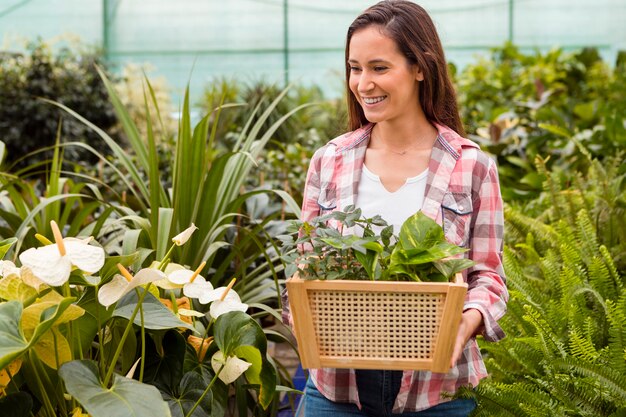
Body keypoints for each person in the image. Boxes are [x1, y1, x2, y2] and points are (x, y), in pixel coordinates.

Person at [283, 1, 508, 416]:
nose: (363, 83)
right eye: (355, 68)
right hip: (336, 386)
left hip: (436, 391)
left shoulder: (471, 166)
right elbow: (306, 260)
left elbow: (489, 277)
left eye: (379, 68)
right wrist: (299, 307)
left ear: (421, 67)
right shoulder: (329, 161)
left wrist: (465, 324)